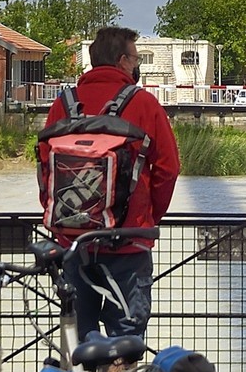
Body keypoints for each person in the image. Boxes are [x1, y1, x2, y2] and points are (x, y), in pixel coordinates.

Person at [38, 26, 180, 341]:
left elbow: (45, 166)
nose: (137, 64)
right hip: (128, 244)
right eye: (135, 57)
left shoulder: (64, 103)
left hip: (74, 243)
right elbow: (168, 169)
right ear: (122, 61)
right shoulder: (143, 103)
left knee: (78, 337)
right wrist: (146, 219)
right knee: (125, 342)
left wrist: (63, 221)